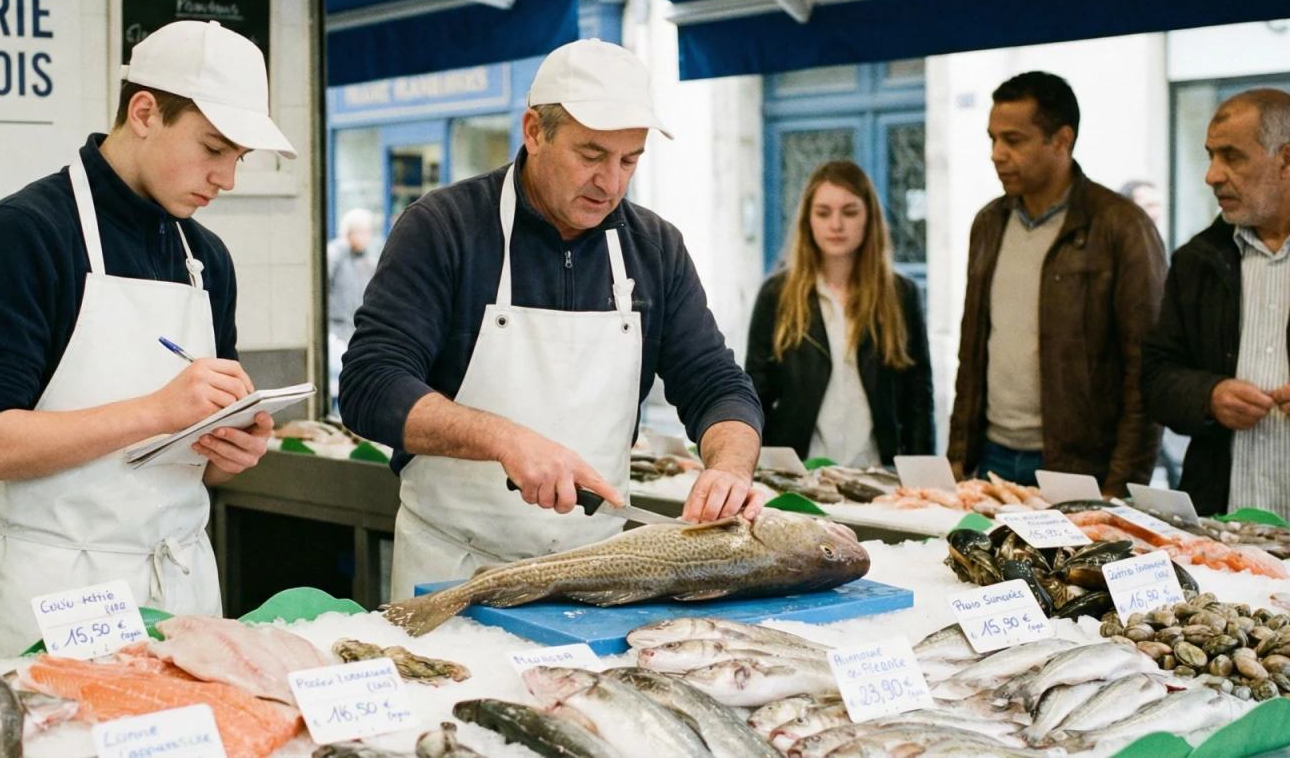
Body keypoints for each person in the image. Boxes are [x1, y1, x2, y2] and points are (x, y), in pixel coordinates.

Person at [337, 39, 765, 601]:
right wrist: (504, 439)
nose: (610, 183)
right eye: (590, 155)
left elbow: (716, 383)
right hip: (455, 568)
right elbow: (371, 385)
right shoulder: (444, 228)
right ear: (534, 131)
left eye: (629, 160)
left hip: (600, 572)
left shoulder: (655, 248)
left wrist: (730, 469)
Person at [0, 21, 297, 657]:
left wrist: (230, 447)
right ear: (145, 112)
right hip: (57, 601)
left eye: (238, 159)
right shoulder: (25, 234)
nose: (227, 179)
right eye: (213, 148)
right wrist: (156, 411)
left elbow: (197, 463)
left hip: (184, 593)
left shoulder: (206, 256)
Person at [948, 71, 1167, 494]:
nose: (997, 154)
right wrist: (958, 457)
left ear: (1061, 140)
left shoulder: (1121, 225)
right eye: (993, 139)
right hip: (991, 456)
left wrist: (1121, 486)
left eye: (1013, 141)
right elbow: (972, 349)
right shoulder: (989, 222)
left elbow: (1146, 369)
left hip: (1081, 466)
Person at [1143, 89, 1290, 516]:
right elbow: (1154, 376)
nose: (1212, 175)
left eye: (1232, 156)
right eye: (1210, 155)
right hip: (1219, 524)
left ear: (1286, 160)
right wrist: (1208, 395)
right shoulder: (1196, 261)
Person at [745, 160, 934, 467]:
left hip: (877, 472)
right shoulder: (776, 294)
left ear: (868, 217)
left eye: (849, 212)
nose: (836, 224)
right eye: (823, 213)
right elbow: (755, 393)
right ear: (808, 220)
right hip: (796, 470)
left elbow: (918, 398)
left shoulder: (901, 294)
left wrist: (918, 477)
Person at [327, 207, 381, 345]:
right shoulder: (335, 254)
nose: (367, 236)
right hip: (336, 330)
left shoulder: (367, 259)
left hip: (356, 330)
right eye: (362, 232)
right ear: (350, 232)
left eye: (368, 231)